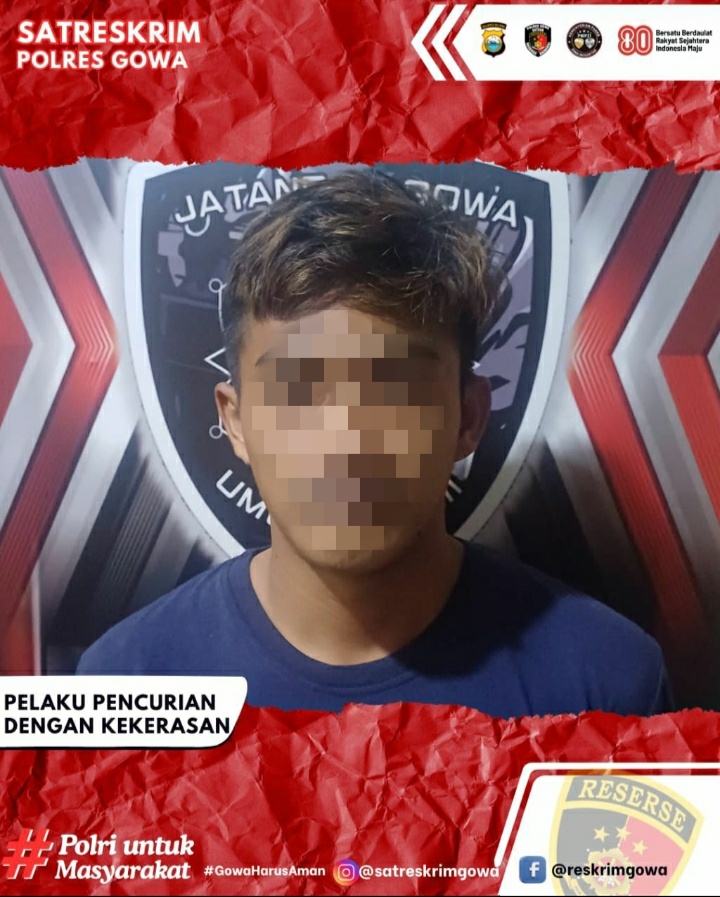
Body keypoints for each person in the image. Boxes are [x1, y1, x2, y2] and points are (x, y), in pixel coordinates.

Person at [78, 169, 671, 718]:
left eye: (397, 389)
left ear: (467, 417)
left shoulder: (607, 683)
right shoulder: (127, 686)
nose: (346, 439)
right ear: (236, 423)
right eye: (297, 389)